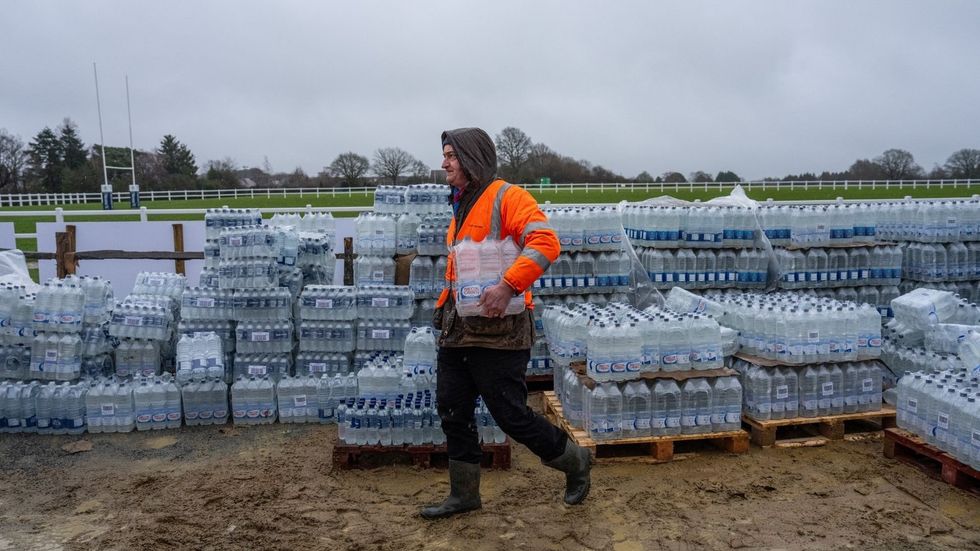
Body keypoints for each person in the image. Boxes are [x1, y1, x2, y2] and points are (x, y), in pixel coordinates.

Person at [421, 127, 591, 520]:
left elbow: (546, 241)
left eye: (451, 155)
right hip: (459, 328)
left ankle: (575, 461)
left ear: (472, 158)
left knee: (510, 414)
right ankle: (464, 494)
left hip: (500, 333)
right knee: (452, 409)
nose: (444, 162)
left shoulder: (507, 197)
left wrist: (507, 286)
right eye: (444, 154)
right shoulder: (460, 205)